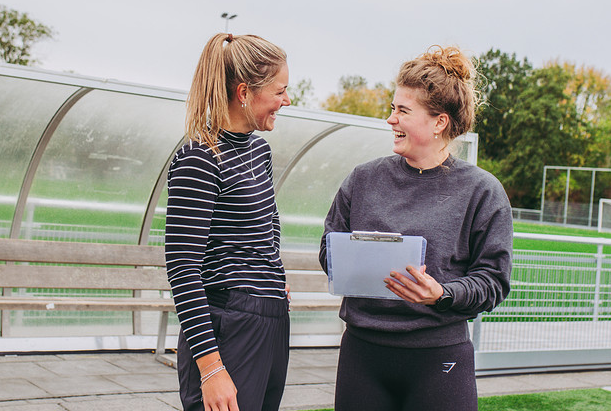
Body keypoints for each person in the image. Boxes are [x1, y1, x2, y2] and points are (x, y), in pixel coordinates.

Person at [319, 45, 513, 411]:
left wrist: (441, 293)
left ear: (439, 122)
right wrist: (357, 258)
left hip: (439, 358)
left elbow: (493, 280)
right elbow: (328, 250)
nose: (391, 119)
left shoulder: (482, 191)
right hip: (363, 353)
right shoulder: (363, 179)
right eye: (393, 108)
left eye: (402, 111)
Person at [165, 32, 292, 411]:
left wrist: (276, 280)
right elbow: (182, 267)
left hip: (270, 319)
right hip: (229, 324)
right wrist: (211, 369)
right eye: (280, 91)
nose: (287, 100)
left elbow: (270, 224)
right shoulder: (198, 157)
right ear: (244, 93)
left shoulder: (259, 150)